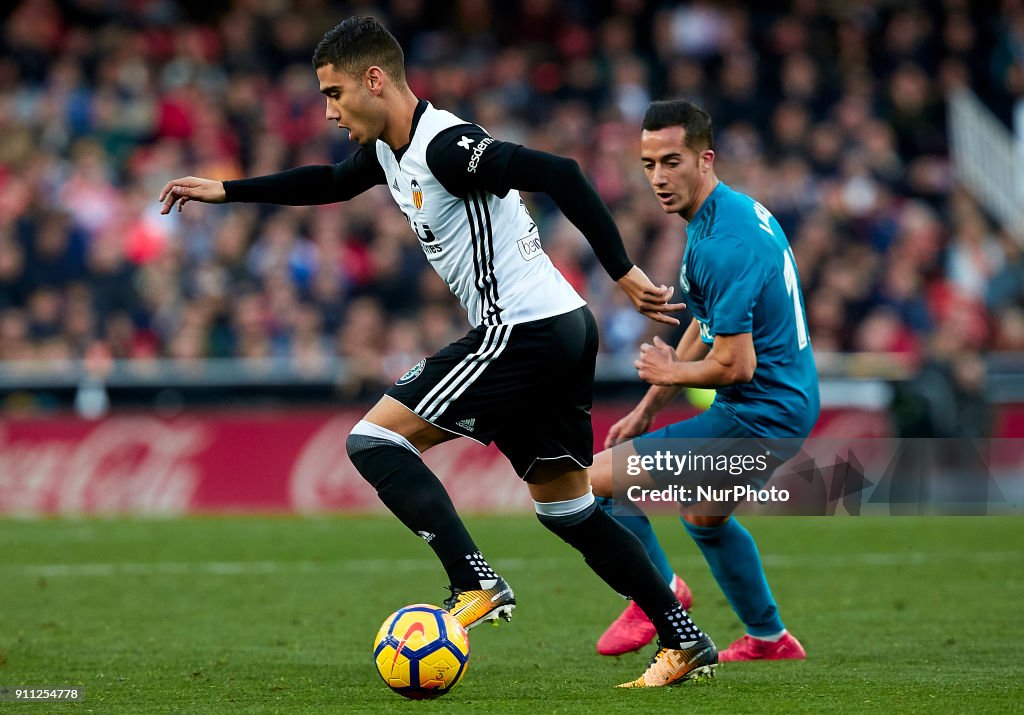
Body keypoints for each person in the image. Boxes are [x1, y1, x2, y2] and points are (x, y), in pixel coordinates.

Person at [159, 18, 716, 688]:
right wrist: (226, 190)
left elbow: (561, 172)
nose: (329, 111)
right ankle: (683, 636)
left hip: (525, 328)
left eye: (335, 93)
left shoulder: (447, 145)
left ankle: (474, 581)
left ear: (375, 80)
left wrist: (623, 271)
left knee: (372, 440)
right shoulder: (388, 151)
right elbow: (329, 182)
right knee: (568, 509)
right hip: (557, 329)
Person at [589, 100, 819, 662]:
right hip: (784, 402)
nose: (659, 178)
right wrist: (649, 406)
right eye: (648, 165)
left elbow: (737, 364)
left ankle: (659, 596)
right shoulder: (724, 215)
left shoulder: (723, 244)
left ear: (705, 158)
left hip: (761, 413)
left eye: (672, 161)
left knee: (594, 483)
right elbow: (706, 324)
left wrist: (672, 371)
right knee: (703, 517)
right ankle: (770, 638)